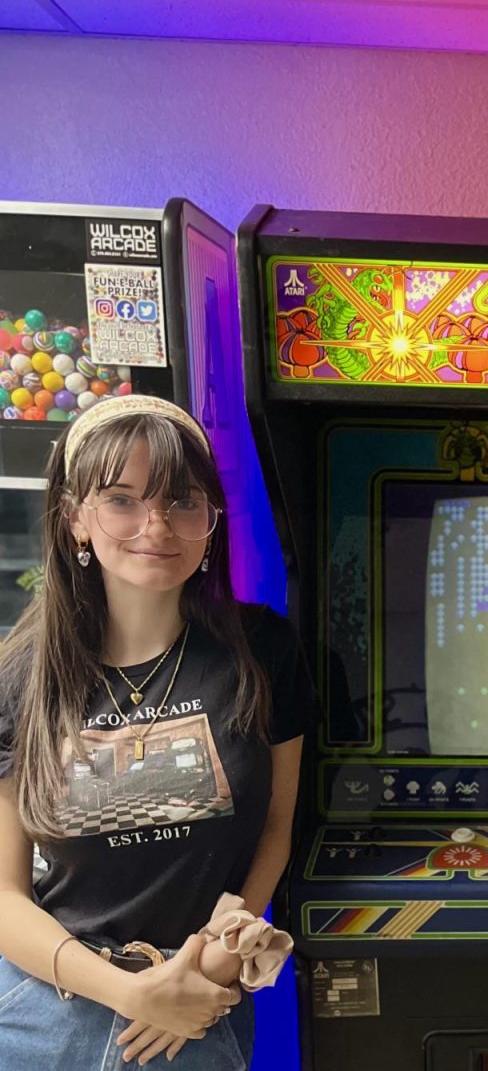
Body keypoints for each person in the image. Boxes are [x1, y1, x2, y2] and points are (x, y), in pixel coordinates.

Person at [0, 393, 315, 1067]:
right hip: (48, 1010)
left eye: (181, 500)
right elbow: (4, 896)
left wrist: (215, 964)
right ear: (76, 519)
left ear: (210, 520)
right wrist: (130, 992)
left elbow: (277, 828)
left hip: (197, 1005)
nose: (157, 525)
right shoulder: (22, 674)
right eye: (121, 499)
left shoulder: (263, 650)